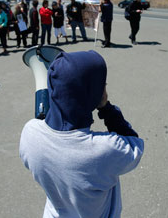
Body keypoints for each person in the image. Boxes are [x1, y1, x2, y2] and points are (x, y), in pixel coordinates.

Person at [19, 50, 144, 218]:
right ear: (93, 94)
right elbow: (134, 145)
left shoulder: (29, 132)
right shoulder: (105, 150)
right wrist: (106, 108)